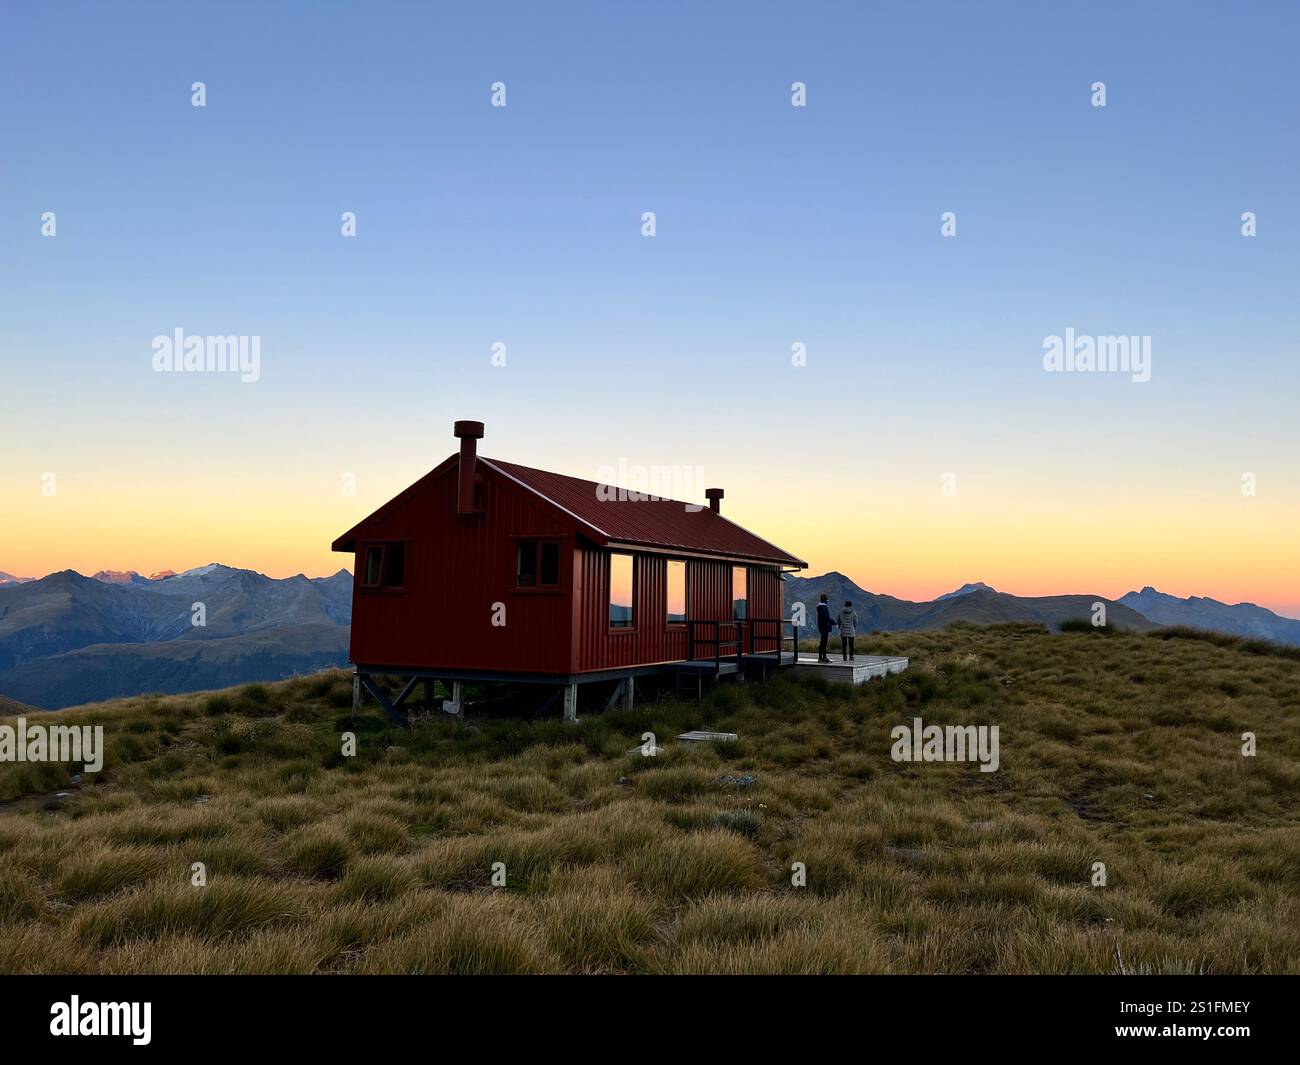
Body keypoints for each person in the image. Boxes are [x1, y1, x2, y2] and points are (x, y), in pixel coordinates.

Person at [815, 593, 833, 663]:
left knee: (822, 642)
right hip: (825, 627)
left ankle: (821, 657)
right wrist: (834, 622)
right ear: (825, 600)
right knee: (824, 642)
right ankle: (823, 657)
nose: (828, 601)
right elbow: (827, 618)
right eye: (827, 600)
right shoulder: (824, 607)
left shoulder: (819, 607)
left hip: (821, 626)